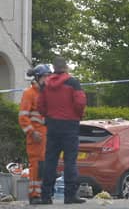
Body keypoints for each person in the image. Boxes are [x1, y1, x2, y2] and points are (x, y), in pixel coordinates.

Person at [37, 56, 87, 204]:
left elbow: (40, 105)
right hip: (70, 125)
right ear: (65, 67)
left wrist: (49, 115)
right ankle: (70, 195)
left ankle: (46, 196)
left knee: (50, 161)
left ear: (53, 68)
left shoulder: (45, 84)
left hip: (52, 125)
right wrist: (77, 115)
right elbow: (80, 102)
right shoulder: (73, 82)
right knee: (70, 161)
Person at [19, 64, 52, 204]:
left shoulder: (45, 94)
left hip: (45, 135)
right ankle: (34, 196)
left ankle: (42, 195)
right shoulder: (29, 93)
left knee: (44, 166)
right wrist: (32, 132)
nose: (48, 80)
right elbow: (22, 117)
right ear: (38, 78)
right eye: (46, 77)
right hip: (36, 137)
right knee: (36, 166)